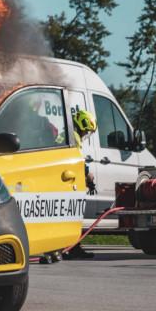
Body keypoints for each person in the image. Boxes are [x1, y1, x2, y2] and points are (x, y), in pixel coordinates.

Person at [64, 109, 98, 260]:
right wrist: (87, 174)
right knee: (74, 215)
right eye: (86, 131)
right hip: (70, 181)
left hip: (65, 178)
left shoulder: (67, 133)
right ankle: (73, 248)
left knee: (67, 216)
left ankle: (67, 247)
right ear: (81, 125)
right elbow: (78, 159)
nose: (86, 134)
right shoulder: (75, 137)